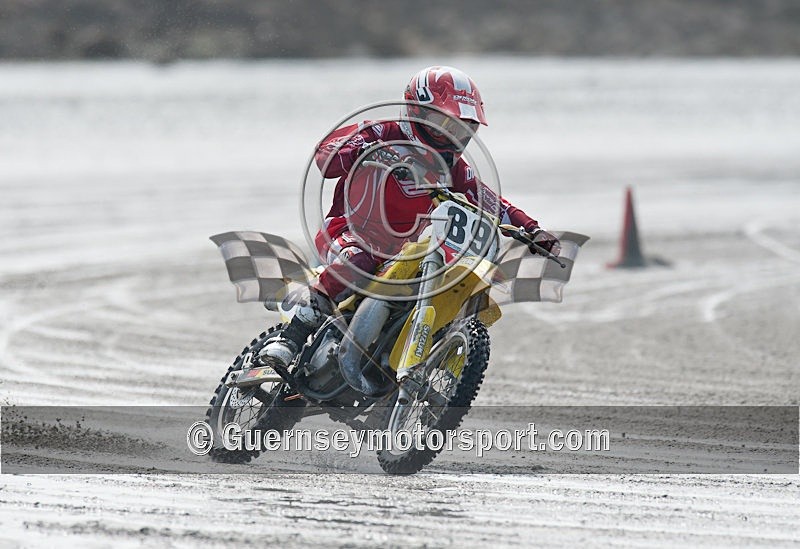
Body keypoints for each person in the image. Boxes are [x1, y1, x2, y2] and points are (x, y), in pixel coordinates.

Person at [260, 66, 560, 371]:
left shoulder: (453, 167)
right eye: (446, 124)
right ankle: (290, 339)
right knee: (360, 262)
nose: (454, 136)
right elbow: (325, 156)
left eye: (464, 128)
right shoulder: (382, 132)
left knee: (437, 277)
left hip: (403, 251)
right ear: (417, 111)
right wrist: (358, 150)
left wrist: (531, 229)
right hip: (348, 233)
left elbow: (488, 199)